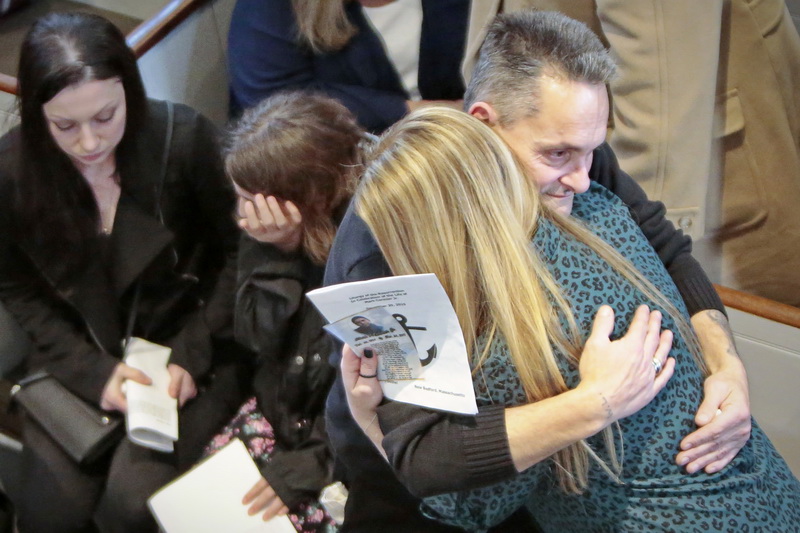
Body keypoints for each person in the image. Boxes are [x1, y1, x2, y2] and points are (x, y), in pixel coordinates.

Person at [323, 10, 751, 532]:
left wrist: (725, 365)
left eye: (592, 150)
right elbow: (427, 449)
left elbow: (670, 250)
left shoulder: (573, 149)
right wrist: (596, 403)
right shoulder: (384, 247)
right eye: (558, 154)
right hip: (408, 484)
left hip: (532, 478)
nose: (585, 180)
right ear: (483, 122)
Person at [0, 13, 249, 532]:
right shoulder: (14, 171)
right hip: (78, 348)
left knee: (130, 506)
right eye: (65, 126)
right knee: (50, 511)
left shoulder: (180, 141)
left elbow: (241, 254)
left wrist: (192, 352)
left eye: (106, 116)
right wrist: (93, 373)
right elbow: (17, 289)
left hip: (187, 343)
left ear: (129, 94)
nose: (89, 143)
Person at [463, 0, 800, 306]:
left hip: (713, 175)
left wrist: (644, 244)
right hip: (528, 124)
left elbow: (662, 90)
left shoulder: (591, 176)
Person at [203, 91, 367, 532]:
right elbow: (255, 336)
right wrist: (277, 252)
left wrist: (305, 467)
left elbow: (372, 397)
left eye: (249, 200)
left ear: (304, 200)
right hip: (279, 416)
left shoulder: (370, 254)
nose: (242, 215)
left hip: (338, 453)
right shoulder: (263, 229)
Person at [227, 0, 469, 130]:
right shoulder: (269, 8)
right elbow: (275, 105)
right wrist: (420, 111)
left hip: (461, 142)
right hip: (342, 170)